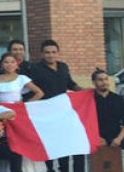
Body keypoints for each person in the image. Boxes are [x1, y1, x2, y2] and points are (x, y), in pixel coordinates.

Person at [31, 41, 83, 172]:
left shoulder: (63, 66)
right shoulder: (35, 69)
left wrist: (83, 91)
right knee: (49, 145)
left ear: (58, 53)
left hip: (62, 113)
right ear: (42, 54)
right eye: (47, 52)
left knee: (63, 145)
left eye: (53, 52)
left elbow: (70, 84)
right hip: (45, 114)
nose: (51, 55)